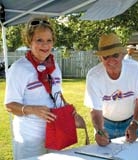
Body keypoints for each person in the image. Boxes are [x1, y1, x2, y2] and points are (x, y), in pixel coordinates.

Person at [4, 17, 84, 159]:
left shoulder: (54, 66)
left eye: (49, 40)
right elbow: (10, 105)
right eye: (39, 40)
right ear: (29, 41)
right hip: (30, 138)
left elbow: (56, 94)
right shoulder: (19, 68)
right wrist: (33, 109)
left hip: (56, 133)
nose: (45, 45)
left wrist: (68, 109)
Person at [84, 33, 138, 146]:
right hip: (105, 124)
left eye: (115, 55)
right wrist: (99, 130)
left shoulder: (135, 69)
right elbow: (95, 109)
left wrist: (135, 124)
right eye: (105, 57)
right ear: (100, 58)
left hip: (131, 122)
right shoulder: (93, 76)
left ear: (122, 54)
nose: (111, 61)